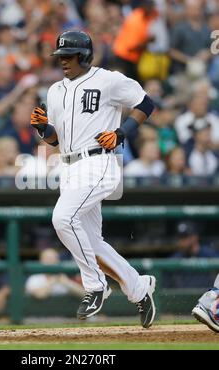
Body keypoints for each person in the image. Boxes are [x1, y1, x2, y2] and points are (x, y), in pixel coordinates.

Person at [30, 30, 156, 328]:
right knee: (92, 243)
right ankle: (139, 288)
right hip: (69, 165)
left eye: (69, 56)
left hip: (99, 160)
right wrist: (42, 129)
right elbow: (55, 140)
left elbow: (146, 103)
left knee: (62, 218)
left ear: (85, 55)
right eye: (60, 56)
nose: (63, 61)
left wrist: (122, 133)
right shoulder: (54, 91)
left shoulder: (108, 79)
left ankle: (96, 286)